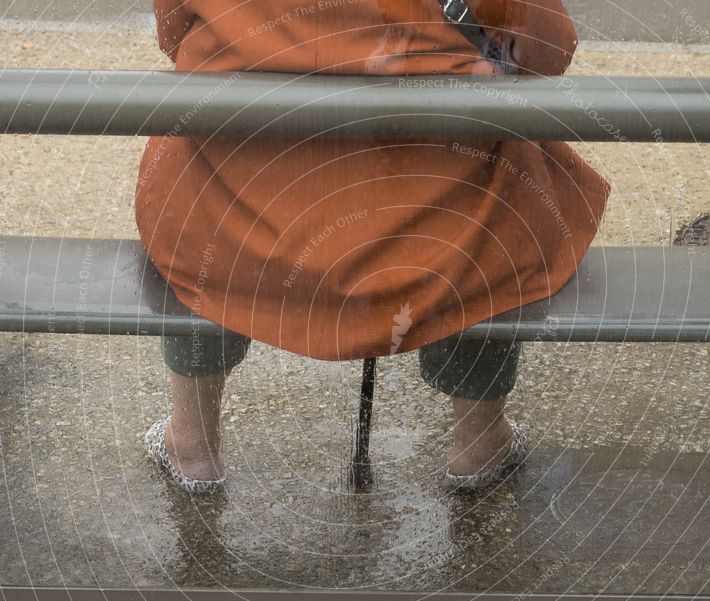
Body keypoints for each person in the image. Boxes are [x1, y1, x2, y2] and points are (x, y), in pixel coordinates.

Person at [138, 0, 610, 495]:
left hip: (240, 222)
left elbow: (174, 33)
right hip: (441, 227)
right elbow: (546, 51)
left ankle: (193, 444)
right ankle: (481, 442)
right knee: (497, 210)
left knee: (194, 200)